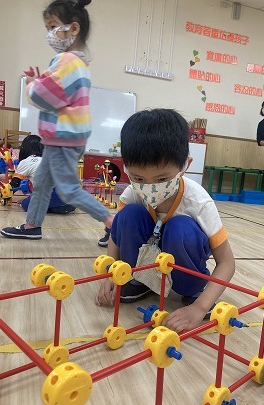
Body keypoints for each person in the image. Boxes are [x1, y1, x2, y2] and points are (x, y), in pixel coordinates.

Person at [95, 109, 236, 333]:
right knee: (128, 215)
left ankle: (192, 290)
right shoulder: (132, 194)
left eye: (162, 178)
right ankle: (138, 281)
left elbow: (227, 263)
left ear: (185, 165)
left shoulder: (198, 202)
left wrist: (200, 307)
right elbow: (116, 236)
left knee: (180, 228)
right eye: (139, 178)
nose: (150, 187)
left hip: (184, 272)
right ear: (126, 168)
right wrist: (111, 274)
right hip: (144, 263)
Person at [0, 0, 114, 240]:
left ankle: (111, 222)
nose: (49, 34)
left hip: (63, 138)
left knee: (68, 190)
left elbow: (47, 96)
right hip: (61, 138)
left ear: (74, 28)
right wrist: (40, 82)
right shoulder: (75, 62)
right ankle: (32, 225)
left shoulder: (68, 61)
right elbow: (57, 92)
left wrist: (31, 85)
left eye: (52, 26)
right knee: (42, 182)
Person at [10, 134, 76, 214]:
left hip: (54, 193)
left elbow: (15, 183)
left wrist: (4, 194)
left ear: (24, 149)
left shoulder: (25, 162)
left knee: (25, 204)